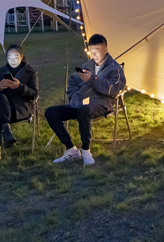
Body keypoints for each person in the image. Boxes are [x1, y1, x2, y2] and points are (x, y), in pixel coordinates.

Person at [45, 33, 125, 166]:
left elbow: (114, 89)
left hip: (101, 104)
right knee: (51, 112)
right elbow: (72, 82)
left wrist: (93, 79)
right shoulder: (87, 66)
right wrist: (74, 96)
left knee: (84, 110)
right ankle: (71, 149)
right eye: (92, 51)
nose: (94, 55)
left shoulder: (114, 69)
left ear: (105, 50)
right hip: (81, 102)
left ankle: (86, 151)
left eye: (97, 51)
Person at [0, 45, 39, 166]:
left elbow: (34, 94)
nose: (13, 60)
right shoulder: (2, 71)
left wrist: (20, 87)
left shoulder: (30, 72)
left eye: (16, 57)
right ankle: (6, 131)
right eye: (9, 57)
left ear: (21, 57)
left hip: (19, 108)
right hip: (3, 107)